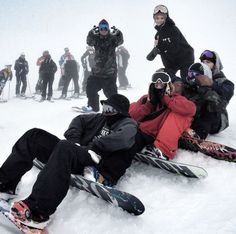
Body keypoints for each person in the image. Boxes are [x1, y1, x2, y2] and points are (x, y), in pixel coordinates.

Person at [0, 94, 137, 229]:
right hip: (78, 153)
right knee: (34, 136)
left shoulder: (128, 124)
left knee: (65, 147)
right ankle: (5, 185)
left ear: (121, 112)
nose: (105, 112)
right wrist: (74, 141)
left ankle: (37, 212)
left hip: (96, 162)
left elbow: (123, 138)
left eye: (110, 110)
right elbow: (79, 120)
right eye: (105, 107)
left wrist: (93, 146)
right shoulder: (99, 118)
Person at [129, 71, 196, 160]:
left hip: (152, 135)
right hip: (138, 130)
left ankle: (162, 149)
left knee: (180, 113)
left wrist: (166, 99)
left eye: (163, 82)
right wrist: (149, 104)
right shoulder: (147, 98)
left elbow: (191, 109)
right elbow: (132, 117)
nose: (159, 85)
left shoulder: (175, 99)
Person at [182, 53, 234, 140]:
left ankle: (198, 135)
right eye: (203, 61)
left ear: (215, 65)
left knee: (209, 99)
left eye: (208, 62)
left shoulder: (224, 81)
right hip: (197, 113)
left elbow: (227, 93)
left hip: (216, 118)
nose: (205, 64)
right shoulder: (195, 75)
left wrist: (211, 84)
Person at [83, 19, 124, 112]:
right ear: (99, 29)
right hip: (97, 72)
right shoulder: (96, 39)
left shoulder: (112, 39)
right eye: (101, 28)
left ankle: (114, 109)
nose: (104, 30)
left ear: (108, 29)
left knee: (110, 93)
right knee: (90, 87)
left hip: (109, 73)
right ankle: (93, 107)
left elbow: (120, 41)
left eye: (106, 28)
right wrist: (91, 33)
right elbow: (89, 42)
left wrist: (118, 33)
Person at [146, 5, 194, 79]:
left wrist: (160, 50)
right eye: (157, 18)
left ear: (166, 18)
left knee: (186, 80)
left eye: (162, 18)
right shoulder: (158, 36)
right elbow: (153, 54)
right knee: (166, 78)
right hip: (172, 62)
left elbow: (175, 48)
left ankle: (186, 85)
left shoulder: (173, 29)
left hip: (185, 59)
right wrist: (153, 52)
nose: (159, 20)